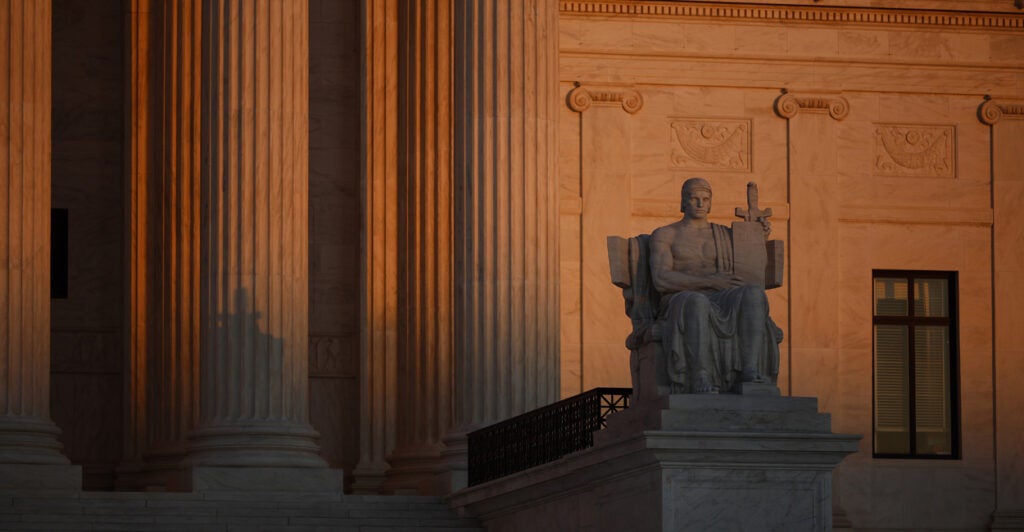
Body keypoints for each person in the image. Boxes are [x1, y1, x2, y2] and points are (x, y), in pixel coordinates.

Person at [648, 177, 781, 393]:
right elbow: (661, 279)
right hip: (680, 297)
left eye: (705, 199)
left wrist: (759, 237)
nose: (700, 204)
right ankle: (701, 375)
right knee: (696, 301)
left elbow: (750, 267)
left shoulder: (725, 235)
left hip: (721, 295)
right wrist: (710, 281)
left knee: (754, 295)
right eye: (694, 198)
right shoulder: (666, 234)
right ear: (683, 202)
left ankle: (749, 371)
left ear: (710, 203)